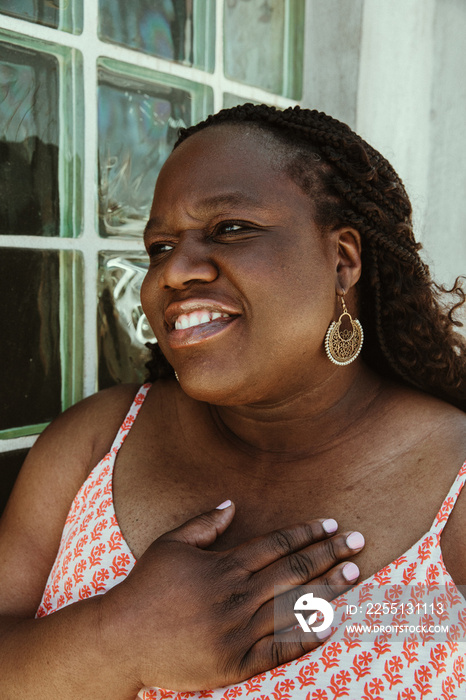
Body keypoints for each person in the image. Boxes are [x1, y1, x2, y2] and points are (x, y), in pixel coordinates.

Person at [1, 104, 465, 699]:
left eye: (231, 229)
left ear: (343, 260)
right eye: (160, 246)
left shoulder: (455, 481)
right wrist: (115, 638)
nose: (174, 272)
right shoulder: (96, 439)